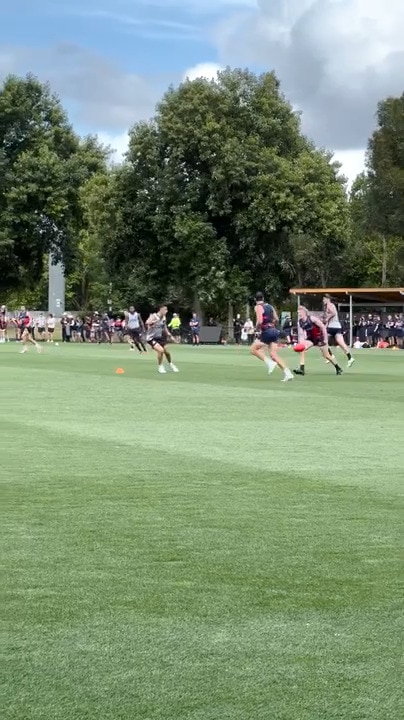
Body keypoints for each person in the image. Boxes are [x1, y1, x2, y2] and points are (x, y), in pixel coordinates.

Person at [250, 292, 293, 382]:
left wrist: (256, 329)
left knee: (253, 349)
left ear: (255, 299)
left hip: (267, 331)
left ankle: (270, 363)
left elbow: (260, 321)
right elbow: (276, 318)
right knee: (274, 354)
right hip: (274, 331)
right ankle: (288, 373)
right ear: (263, 298)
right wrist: (271, 324)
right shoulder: (270, 306)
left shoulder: (258, 307)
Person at [293, 306, 342, 376]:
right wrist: (301, 344)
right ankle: (302, 369)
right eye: (298, 312)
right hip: (311, 338)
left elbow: (323, 327)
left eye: (300, 312)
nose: (299, 314)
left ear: (304, 312)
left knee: (326, 355)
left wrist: (325, 339)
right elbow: (301, 335)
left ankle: (338, 368)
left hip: (319, 337)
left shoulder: (312, 319)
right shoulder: (299, 323)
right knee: (302, 349)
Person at [323, 294, 355, 367]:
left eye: (324, 299)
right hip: (337, 326)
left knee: (324, 342)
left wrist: (327, 318)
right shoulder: (331, 305)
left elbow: (333, 313)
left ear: (327, 299)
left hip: (332, 326)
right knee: (341, 343)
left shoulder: (329, 305)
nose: (323, 301)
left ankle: (330, 355)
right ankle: (350, 357)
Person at [146, 305, 179, 374]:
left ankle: (171, 364)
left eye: (166, 310)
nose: (166, 311)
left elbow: (165, 327)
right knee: (160, 350)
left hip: (160, 337)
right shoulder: (153, 316)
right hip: (151, 338)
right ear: (160, 309)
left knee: (167, 352)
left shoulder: (164, 317)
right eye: (165, 310)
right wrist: (152, 323)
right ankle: (160, 366)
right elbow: (147, 322)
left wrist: (170, 336)